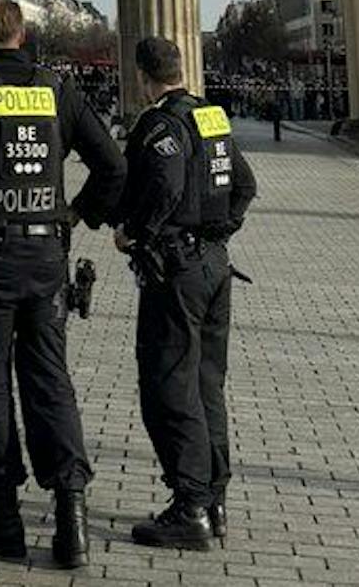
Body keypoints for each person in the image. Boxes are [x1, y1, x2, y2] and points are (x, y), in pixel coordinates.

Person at [0, 0, 127, 569]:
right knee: (49, 377)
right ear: (24, 33)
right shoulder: (56, 89)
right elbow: (113, 164)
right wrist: (78, 214)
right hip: (46, 255)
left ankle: (1, 514)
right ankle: (71, 520)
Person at [114, 36, 257, 551]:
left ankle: (189, 507)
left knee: (168, 386)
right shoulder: (212, 117)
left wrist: (137, 233)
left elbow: (167, 187)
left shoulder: (159, 123)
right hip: (215, 268)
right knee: (207, 384)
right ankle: (215, 499)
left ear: (143, 77)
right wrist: (219, 232)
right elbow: (245, 183)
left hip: (176, 271)